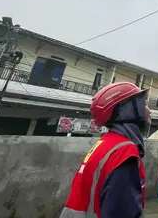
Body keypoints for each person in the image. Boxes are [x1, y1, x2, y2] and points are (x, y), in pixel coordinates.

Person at [60, 82, 150, 218]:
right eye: (143, 104)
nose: (149, 110)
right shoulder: (124, 152)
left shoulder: (107, 143)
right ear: (128, 110)